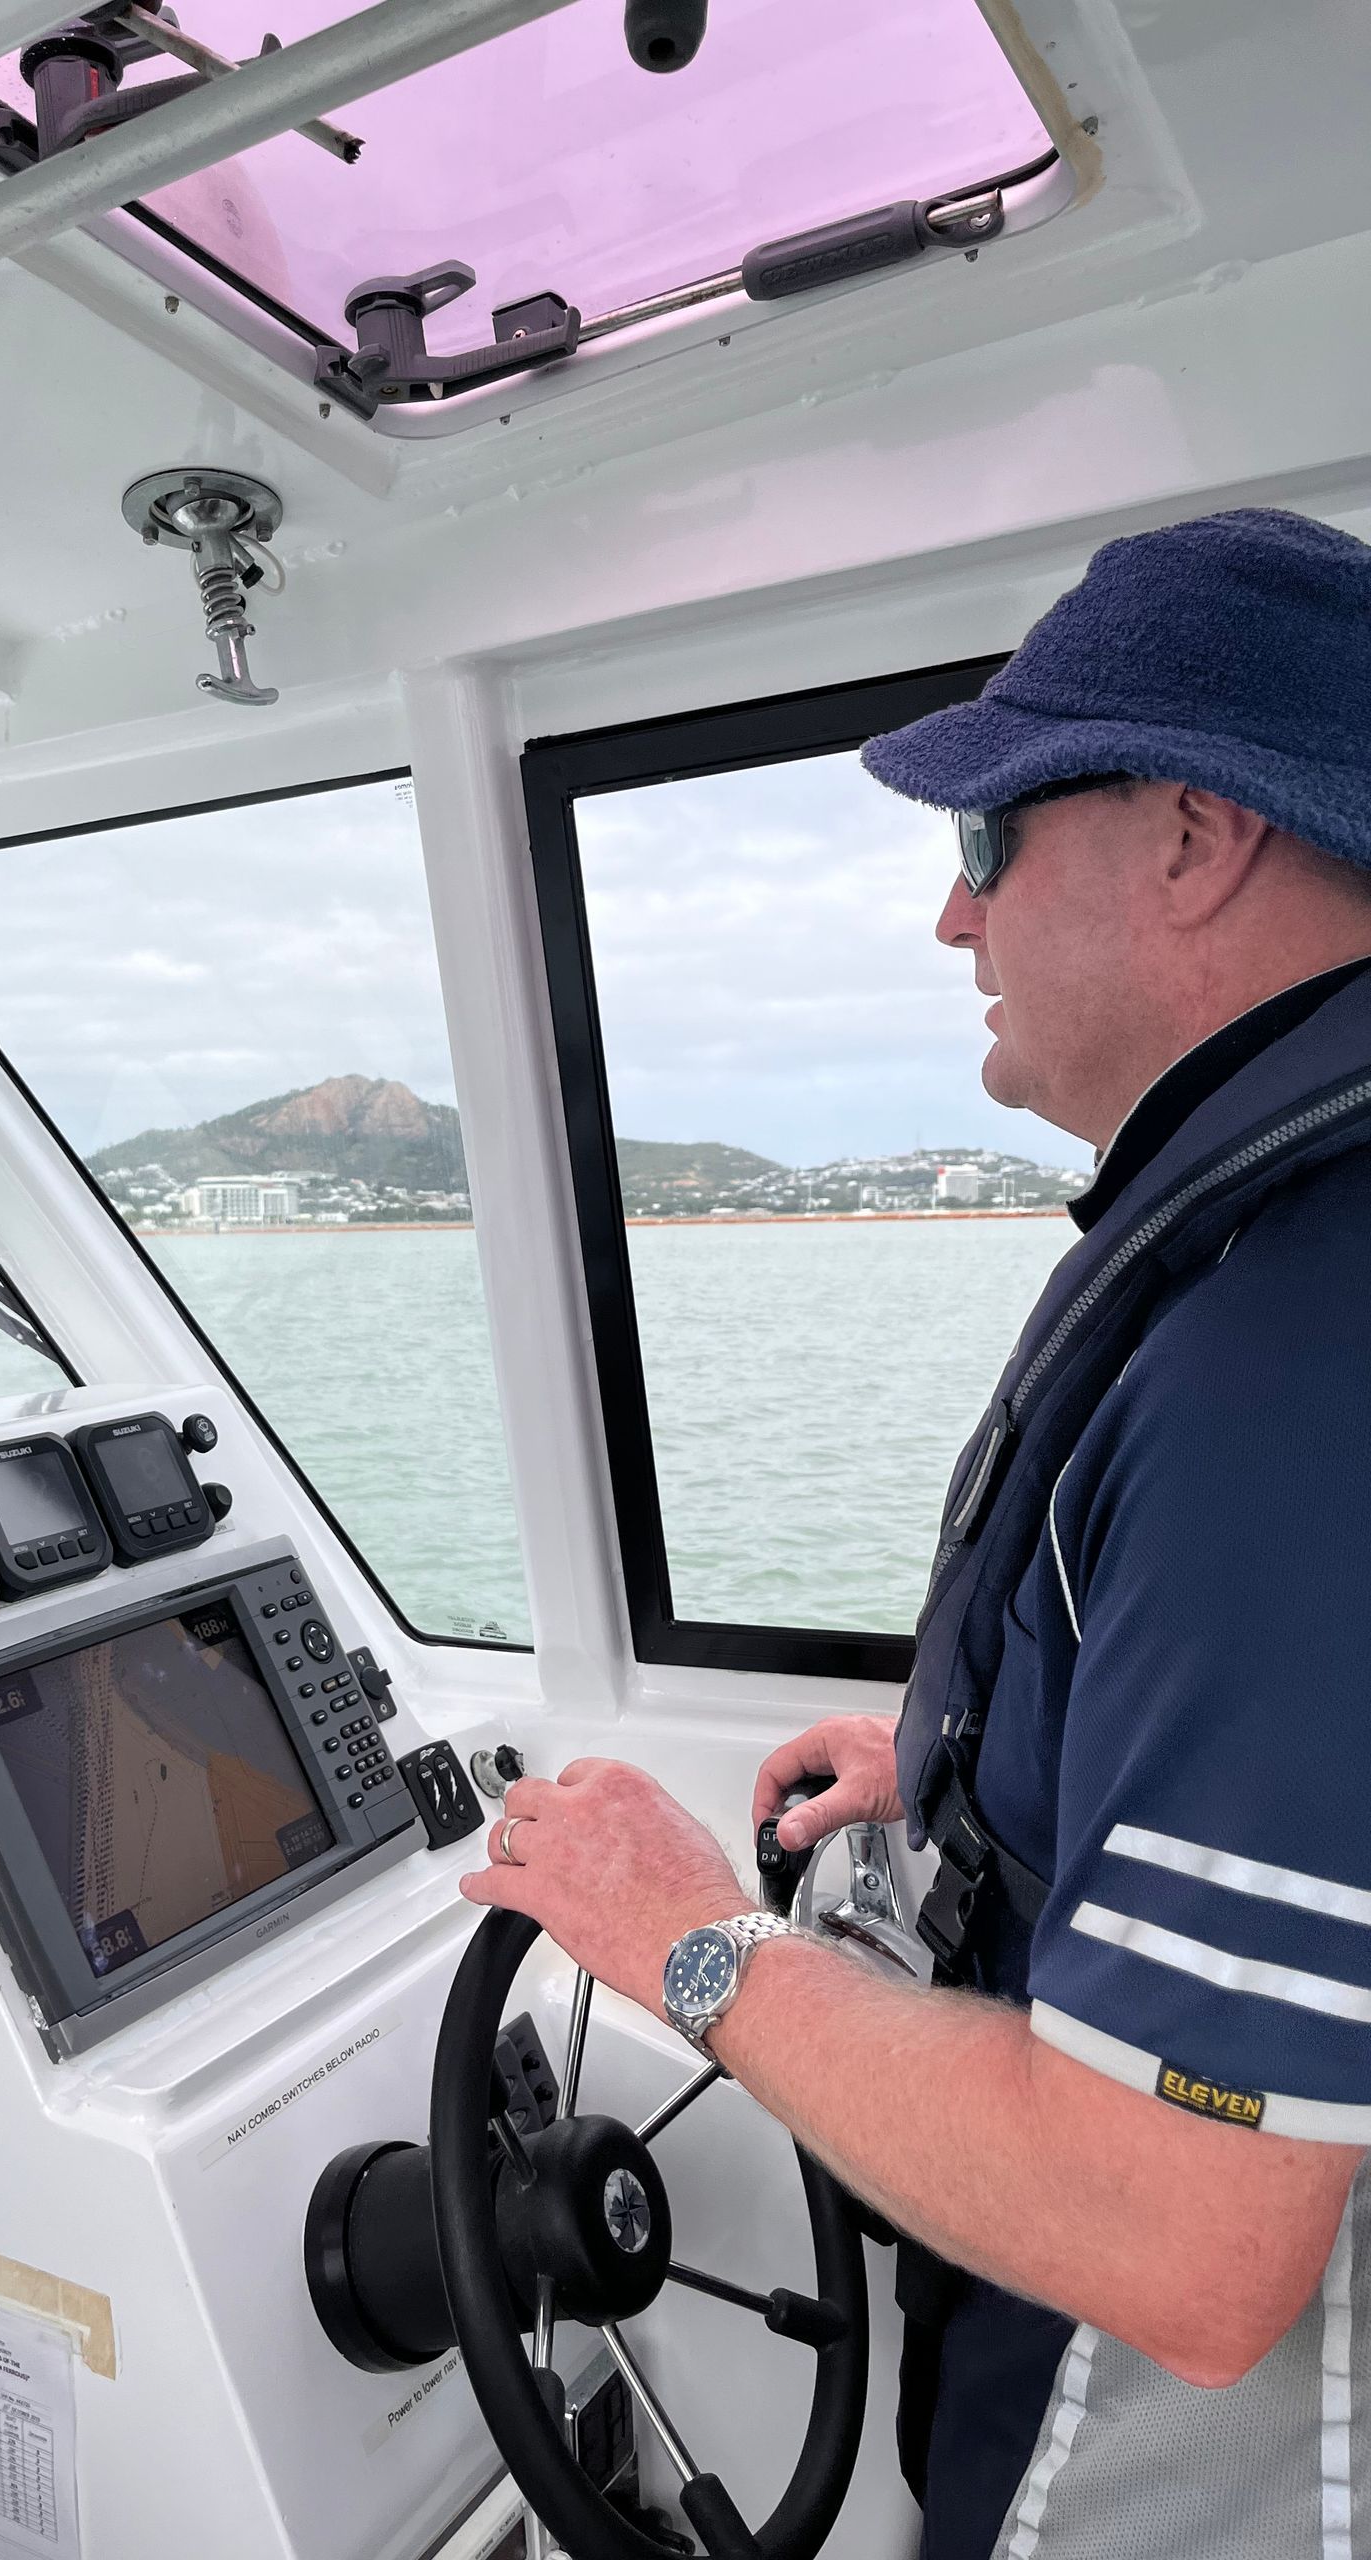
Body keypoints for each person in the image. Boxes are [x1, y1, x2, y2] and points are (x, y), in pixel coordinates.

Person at [465, 508, 1371, 2559]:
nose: (949, 924)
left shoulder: (1301, 1356)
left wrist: (689, 1938)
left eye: (986, 844)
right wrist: (982, 1775)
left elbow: (1185, 2229)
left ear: (1192, 834)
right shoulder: (1278, 1254)